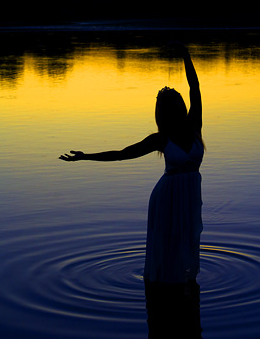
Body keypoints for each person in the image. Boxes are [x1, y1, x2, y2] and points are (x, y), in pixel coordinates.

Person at [59, 43, 204, 285]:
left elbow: (195, 87)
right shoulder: (161, 139)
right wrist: (86, 156)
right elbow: (122, 154)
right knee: (168, 242)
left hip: (188, 195)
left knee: (187, 238)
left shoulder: (194, 126)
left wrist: (186, 56)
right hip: (167, 197)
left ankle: (183, 289)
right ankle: (165, 286)